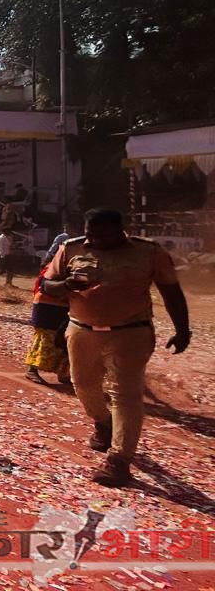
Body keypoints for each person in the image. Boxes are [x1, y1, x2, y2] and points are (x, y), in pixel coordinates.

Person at [41, 208, 191, 487]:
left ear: (121, 230)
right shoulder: (70, 248)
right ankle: (104, 422)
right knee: (83, 385)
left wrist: (183, 329)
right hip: (81, 330)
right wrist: (65, 285)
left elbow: (171, 291)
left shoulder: (148, 252)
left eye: (103, 235)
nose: (96, 240)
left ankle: (119, 460)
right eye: (91, 234)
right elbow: (48, 284)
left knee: (126, 394)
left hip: (130, 333)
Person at [25, 264, 72, 385]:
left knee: (66, 340)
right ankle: (32, 370)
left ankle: (63, 372)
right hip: (48, 305)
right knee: (46, 338)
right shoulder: (54, 267)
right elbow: (46, 285)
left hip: (68, 306)